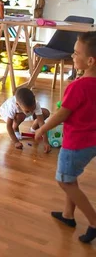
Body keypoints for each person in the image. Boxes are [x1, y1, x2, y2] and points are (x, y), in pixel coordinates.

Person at [35, 32, 96, 243]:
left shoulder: (77, 87)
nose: (72, 55)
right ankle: (68, 215)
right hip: (91, 142)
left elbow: (62, 114)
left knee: (64, 181)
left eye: (76, 53)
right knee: (71, 176)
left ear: (90, 61)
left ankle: (94, 221)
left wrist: (41, 129)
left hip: (76, 143)